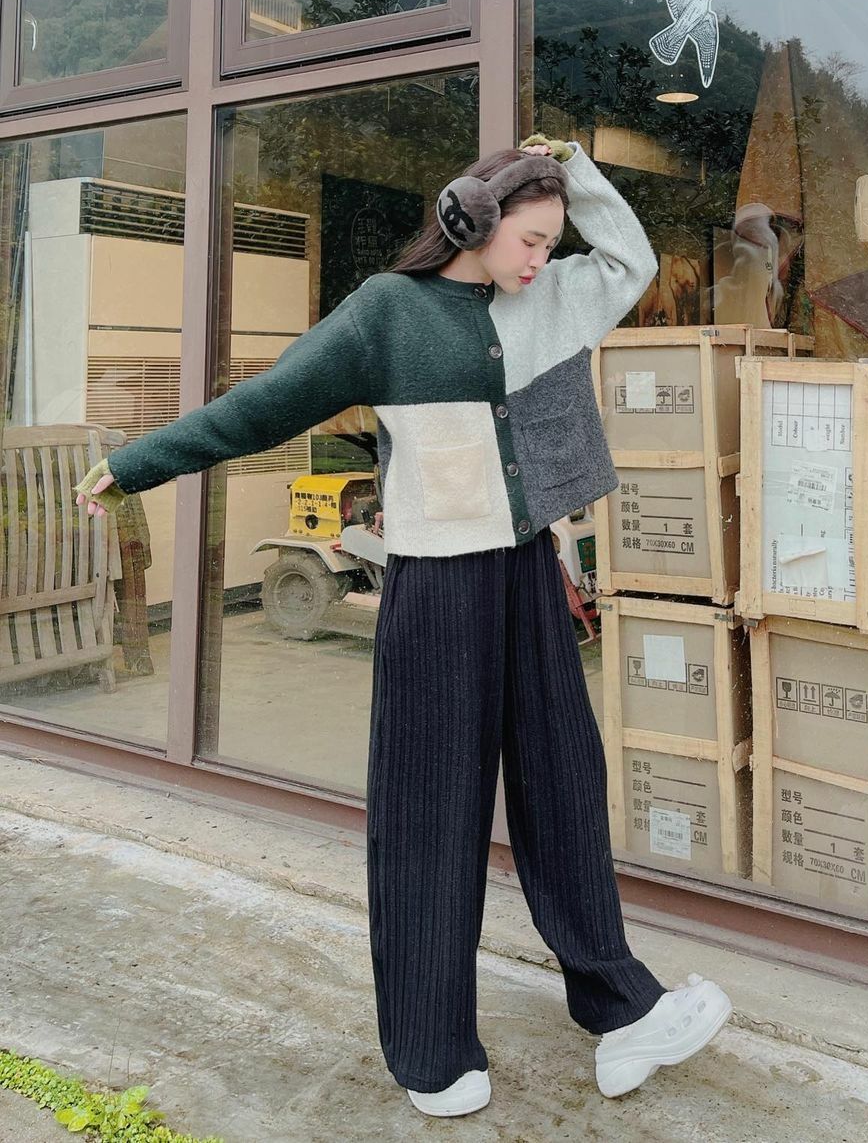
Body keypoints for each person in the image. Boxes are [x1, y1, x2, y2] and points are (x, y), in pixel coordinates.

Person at [76, 134, 734, 1118]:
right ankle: (432, 1049)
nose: (541, 259)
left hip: (528, 570)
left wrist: (575, 171)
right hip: (435, 586)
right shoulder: (386, 313)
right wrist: (137, 464)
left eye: (552, 242)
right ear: (473, 218)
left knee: (565, 782)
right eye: (530, 238)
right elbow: (262, 406)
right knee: (430, 809)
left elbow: (628, 260)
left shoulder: (548, 300)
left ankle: (622, 1009)